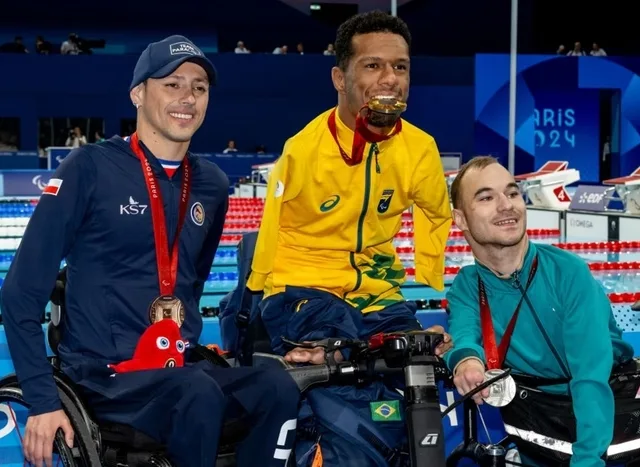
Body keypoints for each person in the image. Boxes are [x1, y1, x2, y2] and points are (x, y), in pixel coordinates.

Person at [0, 35, 299, 467]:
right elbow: (20, 293)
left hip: (175, 368)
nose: (188, 98)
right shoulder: (90, 168)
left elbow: (191, 280)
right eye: (172, 84)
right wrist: (44, 400)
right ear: (138, 94)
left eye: (199, 87)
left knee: (278, 387)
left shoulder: (212, 184)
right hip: (103, 376)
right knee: (196, 393)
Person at [246, 11, 453, 465]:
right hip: (304, 290)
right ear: (340, 77)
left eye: (400, 67)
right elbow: (270, 228)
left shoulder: (419, 148)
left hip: (377, 295)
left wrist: (430, 270)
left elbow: (439, 211)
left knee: (424, 367)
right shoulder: (303, 149)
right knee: (343, 363)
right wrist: (257, 298)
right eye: (373, 65)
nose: (390, 78)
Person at [443, 156, 635, 466]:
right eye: (487, 197)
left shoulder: (568, 273)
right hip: (538, 422)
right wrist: (465, 359)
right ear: (461, 219)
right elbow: (465, 333)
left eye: (512, 192)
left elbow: (590, 377)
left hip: (605, 417)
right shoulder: (467, 284)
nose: (506, 205)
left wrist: (588, 460)